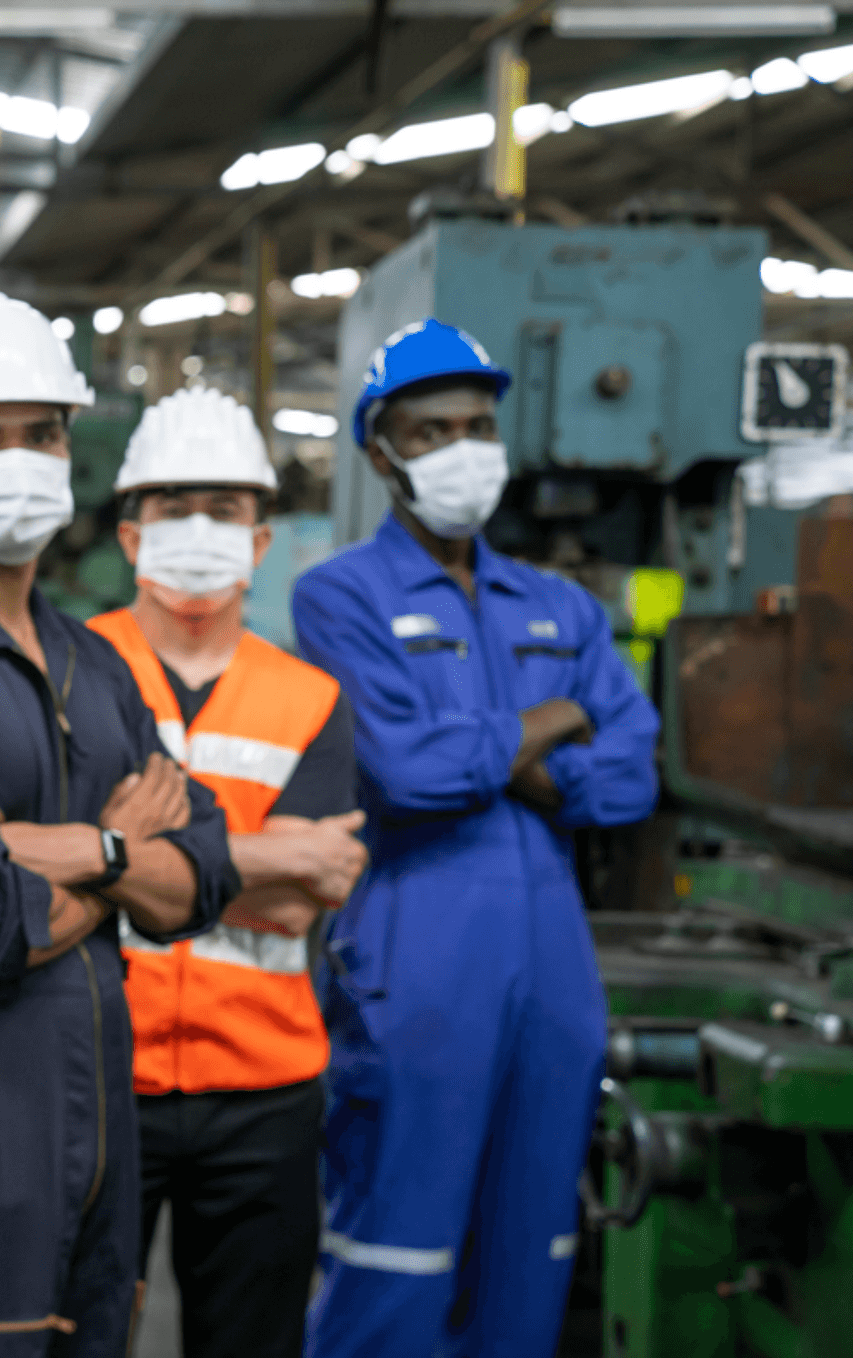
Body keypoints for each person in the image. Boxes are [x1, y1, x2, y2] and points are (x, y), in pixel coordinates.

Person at [0, 293, 322, 1356]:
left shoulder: (88, 659)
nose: (14, 460)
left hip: (95, 1144)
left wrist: (56, 850)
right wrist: (114, 850)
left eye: (39, 434)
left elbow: (197, 875)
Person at [292, 319, 660, 1357]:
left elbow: (631, 773)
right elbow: (401, 772)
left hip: (553, 962)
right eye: (433, 427)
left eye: (477, 424)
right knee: (394, 1251)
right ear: (382, 450)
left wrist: (505, 756)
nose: (463, 446)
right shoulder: (341, 594)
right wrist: (548, 722)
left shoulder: (555, 604)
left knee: (532, 1250)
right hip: (416, 947)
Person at [86, 387, 368, 1358]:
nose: (197, 530)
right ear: (129, 534)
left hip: (263, 1086)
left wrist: (123, 859)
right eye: (172, 508)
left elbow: (315, 885)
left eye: (224, 509)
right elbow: (42, 862)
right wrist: (263, 852)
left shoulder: (310, 697)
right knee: (74, 1332)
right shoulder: (68, 669)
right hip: (97, 1069)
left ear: (259, 539)